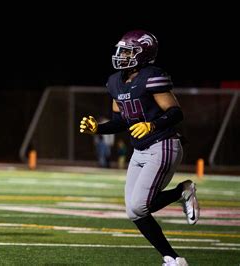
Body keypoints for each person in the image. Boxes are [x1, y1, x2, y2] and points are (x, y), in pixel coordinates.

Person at [79, 29, 199, 266]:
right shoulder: (115, 82)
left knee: (138, 205)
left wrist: (152, 126)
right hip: (140, 149)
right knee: (135, 211)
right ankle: (173, 257)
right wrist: (98, 129)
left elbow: (176, 112)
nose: (122, 55)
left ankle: (175, 256)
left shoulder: (152, 76)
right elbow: (120, 121)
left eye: (128, 51)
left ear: (143, 54)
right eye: (121, 51)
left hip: (163, 144)